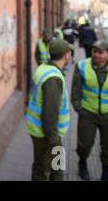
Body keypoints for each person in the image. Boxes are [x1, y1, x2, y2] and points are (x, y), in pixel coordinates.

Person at [71, 40, 108, 181]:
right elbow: (75, 91)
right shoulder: (82, 66)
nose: (95, 54)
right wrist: (79, 108)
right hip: (88, 113)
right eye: (94, 51)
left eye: (100, 52)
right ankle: (82, 163)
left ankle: (105, 175)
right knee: (84, 144)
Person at [26, 39, 72, 181]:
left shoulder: (43, 68)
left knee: (56, 167)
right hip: (47, 135)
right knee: (42, 171)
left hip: (45, 132)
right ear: (66, 55)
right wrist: (53, 140)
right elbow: (50, 115)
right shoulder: (53, 78)